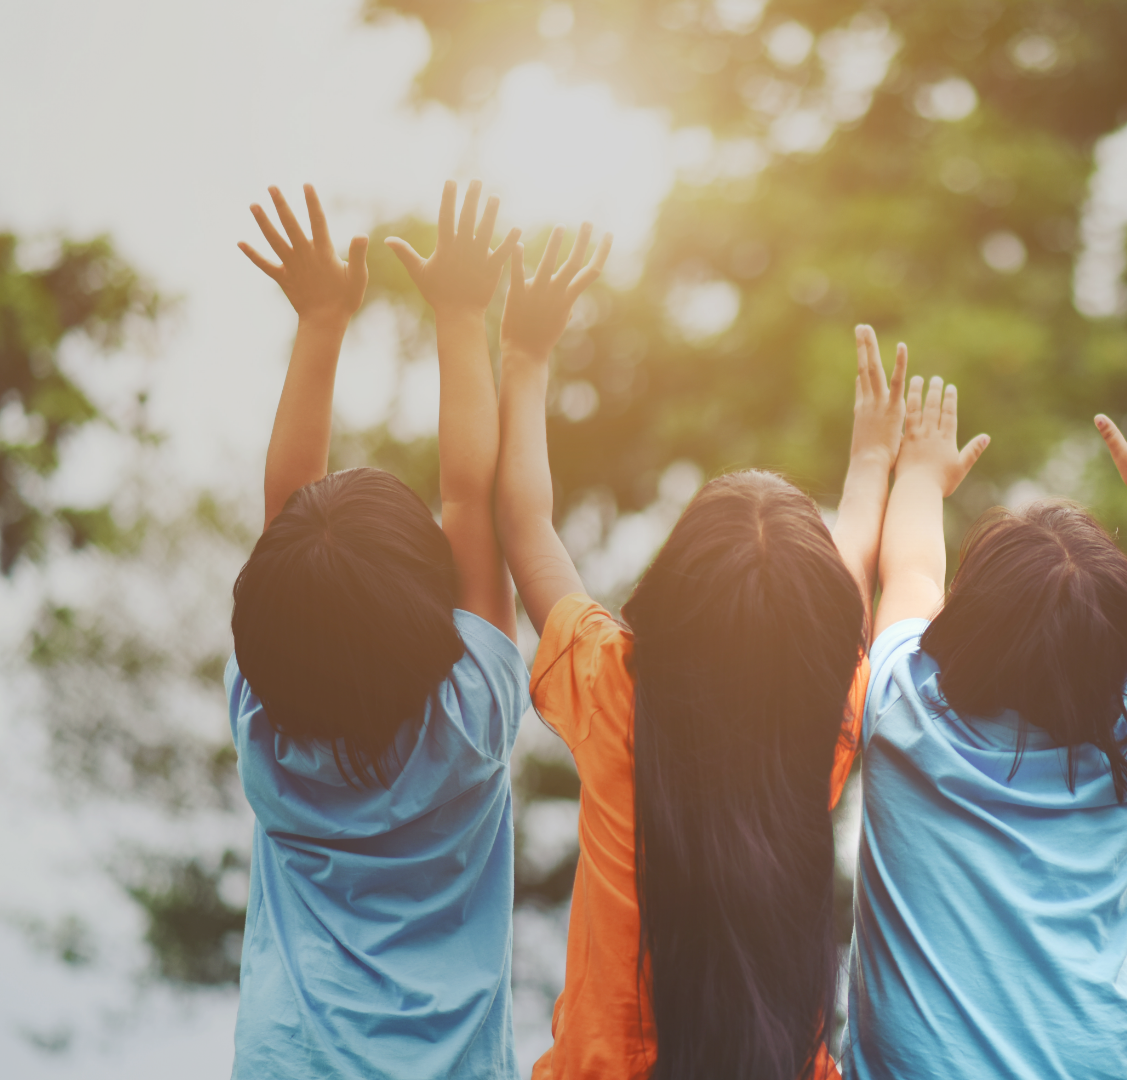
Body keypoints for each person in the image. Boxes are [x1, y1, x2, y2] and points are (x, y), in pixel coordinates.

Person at [497, 212, 904, 1077]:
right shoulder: (821, 727)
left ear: (669, 599)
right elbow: (840, 614)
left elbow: (526, 527)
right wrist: (872, 462)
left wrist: (526, 357)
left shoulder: (614, 691)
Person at [843, 360, 1127, 1079]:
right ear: (1120, 652)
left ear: (968, 619)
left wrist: (918, 471)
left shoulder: (903, 709)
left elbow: (911, 574)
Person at [227, 181, 527, 1077]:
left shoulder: (265, 731)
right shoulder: (470, 719)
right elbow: (474, 494)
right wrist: (463, 315)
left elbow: (289, 512)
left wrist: (322, 321)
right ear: (433, 603)